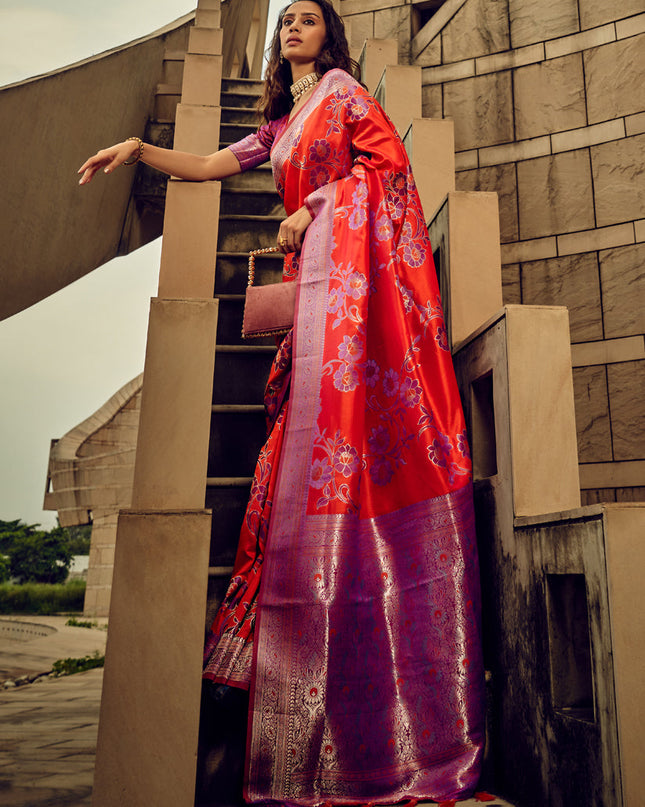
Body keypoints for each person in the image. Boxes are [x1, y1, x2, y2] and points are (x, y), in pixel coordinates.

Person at [78, 1, 485, 804]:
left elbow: (389, 170)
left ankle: (402, 731)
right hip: (315, 297)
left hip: (354, 296)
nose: (290, 25)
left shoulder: (343, 94)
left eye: (304, 17)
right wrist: (140, 150)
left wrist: (317, 206)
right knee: (294, 466)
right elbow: (211, 167)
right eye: (284, 18)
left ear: (328, 34)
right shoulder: (283, 122)